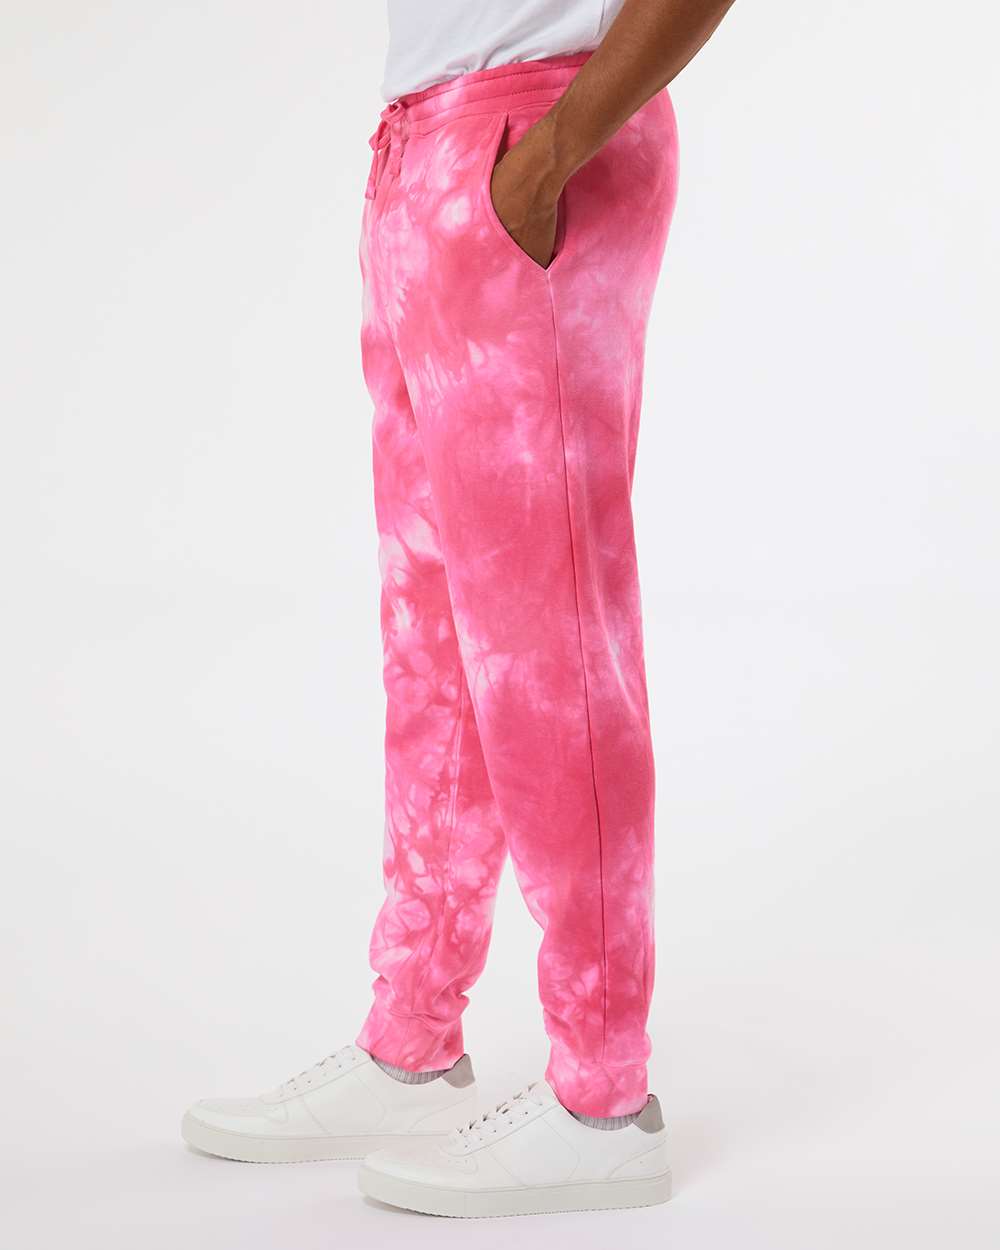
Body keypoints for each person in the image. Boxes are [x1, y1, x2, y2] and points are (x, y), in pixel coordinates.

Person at [182, 0, 735, 1217]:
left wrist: (547, 156)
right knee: (431, 639)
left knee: (549, 638)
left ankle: (602, 1099)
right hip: (428, 153)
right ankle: (412, 1039)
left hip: (532, 137)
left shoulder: (538, 150)